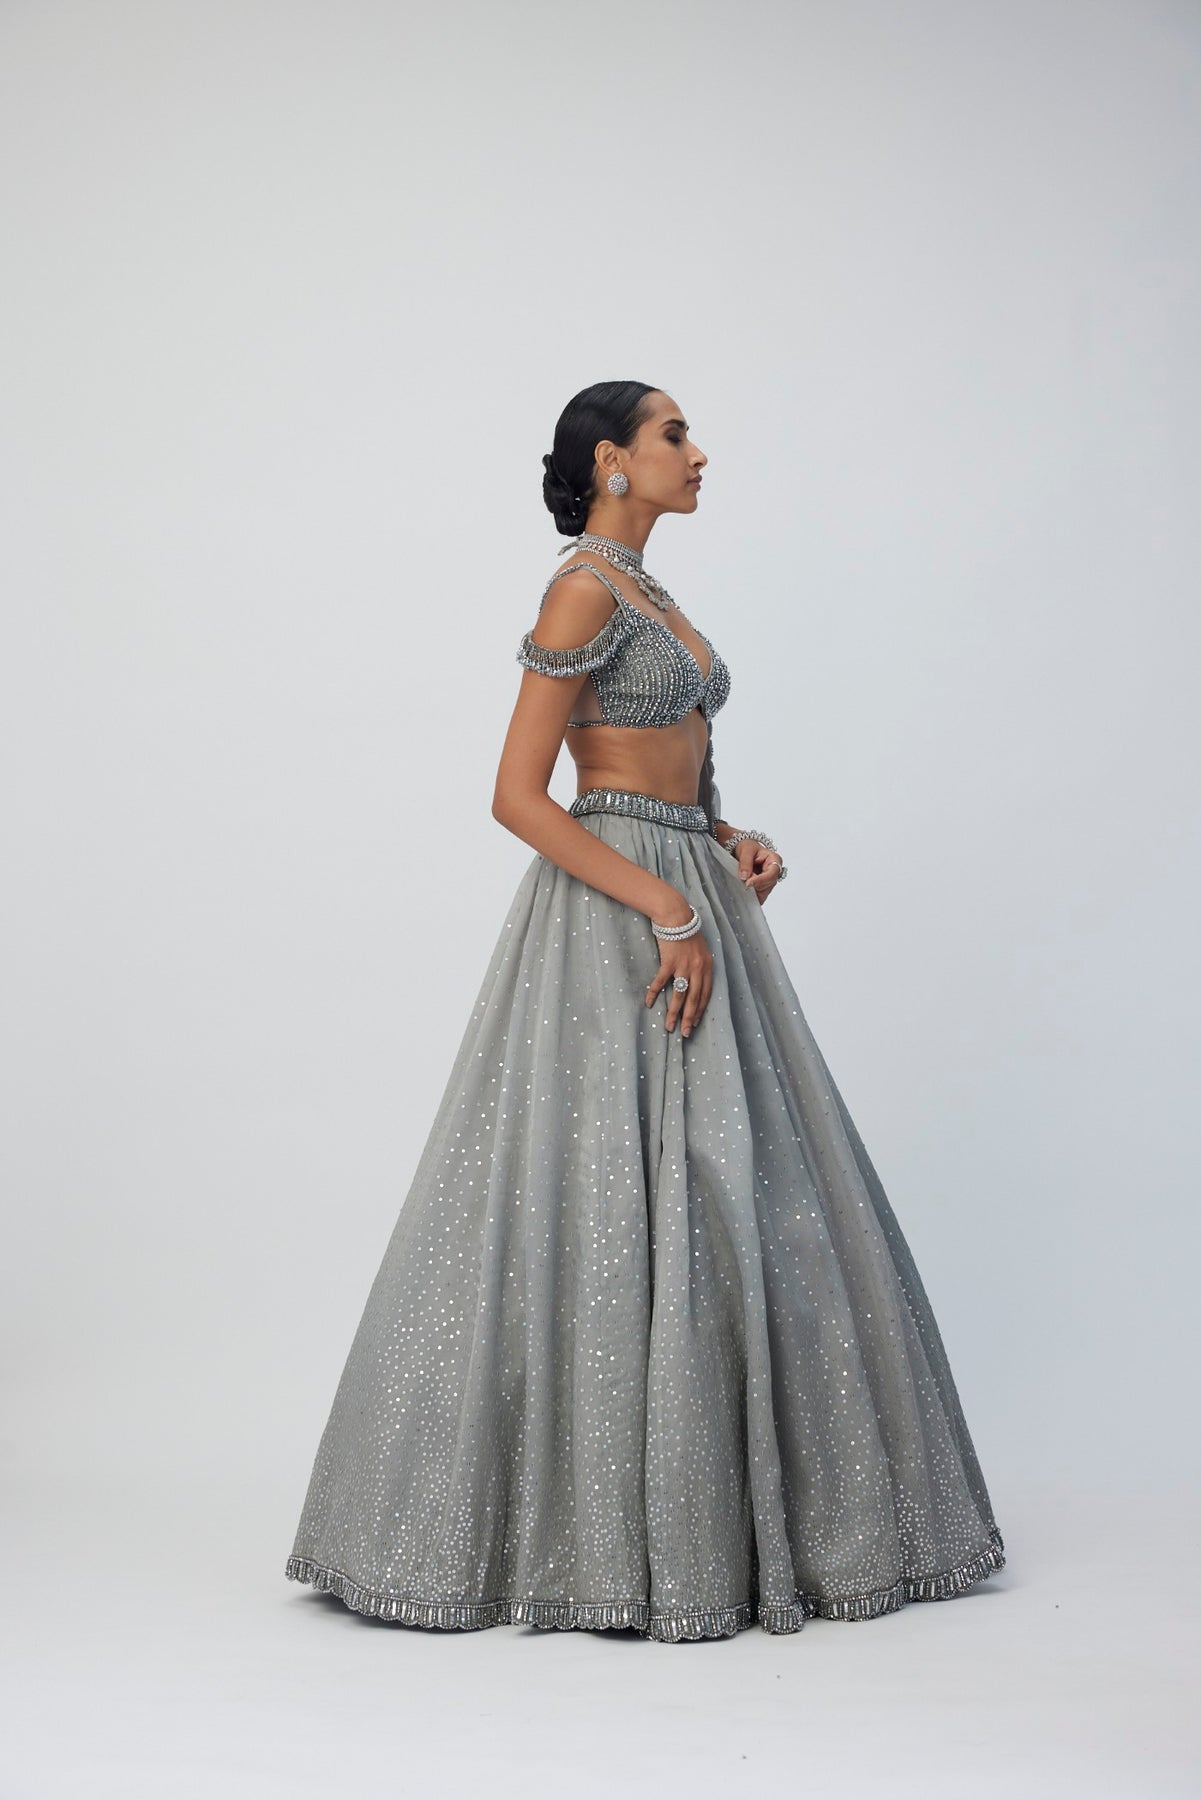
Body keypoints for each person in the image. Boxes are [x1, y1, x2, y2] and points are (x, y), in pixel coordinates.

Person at [283, 379, 1006, 1642]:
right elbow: (518, 794)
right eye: (675, 433)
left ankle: (723, 1521)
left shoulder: (652, 594)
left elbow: (674, 762)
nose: (698, 452)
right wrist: (664, 905)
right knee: (612, 1188)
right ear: (612, 460)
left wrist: (725, 840)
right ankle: (582, 1539)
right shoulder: (580, 589)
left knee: (733, 1181)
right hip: (619, 908)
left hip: (686, 882)